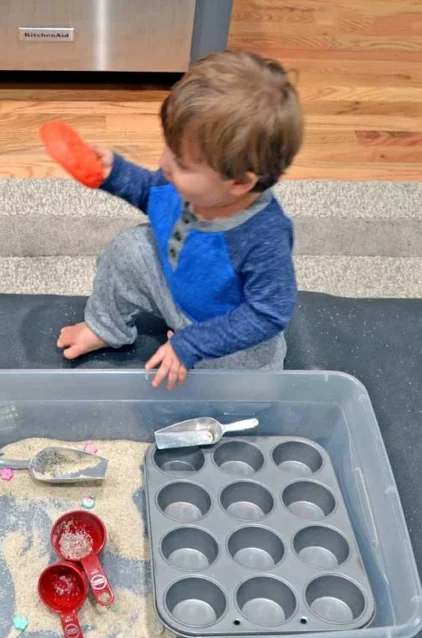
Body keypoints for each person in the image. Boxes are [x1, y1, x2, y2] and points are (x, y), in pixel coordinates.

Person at [57, 51, 304, 389]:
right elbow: (151, 194)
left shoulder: (264, 237)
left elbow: (268, 313)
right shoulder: (184, 185)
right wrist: (113, 173)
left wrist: (193, 343)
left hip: (229, 337)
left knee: (246, 392)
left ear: (239, 183)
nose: (165, 164)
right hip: (177, 293)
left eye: (183, 163)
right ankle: (105, 328)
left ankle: (204, 362)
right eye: (169, 149)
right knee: (128, 248)